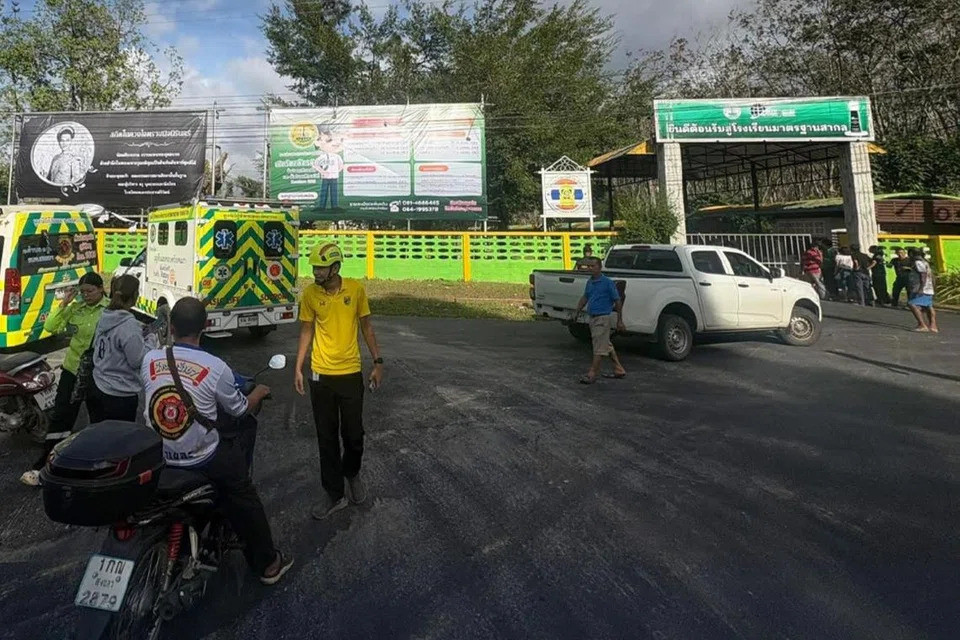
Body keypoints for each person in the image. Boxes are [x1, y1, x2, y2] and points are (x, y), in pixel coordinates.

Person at [141, 298, 293, 584]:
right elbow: (239, 409)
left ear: (171, 328)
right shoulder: (215, 367)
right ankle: (268, 563)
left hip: (159, 454)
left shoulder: (150, 359)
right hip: (201, 458)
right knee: (243, 495)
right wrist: (259, 392)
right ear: (205, 327)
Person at [295, 243, 383, 520]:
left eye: (321, 268)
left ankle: (352, 472)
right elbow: (306, 330)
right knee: (326, 437)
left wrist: (377, 362)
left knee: (354, 435)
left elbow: (366, 326)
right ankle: (334, 494)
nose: (316, 272)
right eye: (314, 268)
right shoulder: (310, 294)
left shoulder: (355, 290)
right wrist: (298, 367)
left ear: (335, 268)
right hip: (320, 375)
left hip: (350, 373)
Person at [19, 273, 107, 486]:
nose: (86, 295)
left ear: (100, 289)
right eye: (82, 292)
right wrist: (64, 303)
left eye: (90, 291)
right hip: (72, 370)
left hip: (98, 373)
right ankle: (45, 465)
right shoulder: (75, 308)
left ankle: (101, 467)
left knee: (99, 418)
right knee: (61, 417)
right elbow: (50, 326)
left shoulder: (109, 310)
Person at [87, 274, 155, 423]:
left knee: (98, 432)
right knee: (119, 435)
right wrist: (151, 340)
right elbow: (137, 361)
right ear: (135, 295)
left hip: (97, 384)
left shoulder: (105, 315)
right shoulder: (128, 325)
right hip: (119, 394)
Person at [572, 257, 626, 384]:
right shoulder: (590, 282)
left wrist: (620, 320)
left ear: (600, 267)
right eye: (589, 266)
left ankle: (592, 373)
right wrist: (577, 311)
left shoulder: (607, 283)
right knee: (605, 344)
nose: (590, 269)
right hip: (593, 317)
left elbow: (617, 301)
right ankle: (618, 368)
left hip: (602, 318)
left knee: (598, 348)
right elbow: (585, 297)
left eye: (593, 266)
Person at [906, 247, 938, 333]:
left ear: (911, 254)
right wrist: (933, 287)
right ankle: (933, 325)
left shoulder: (918, 263)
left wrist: (921, 288)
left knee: (912, 304)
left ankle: (922, 325)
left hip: (920, 288)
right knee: (928, 306)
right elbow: (932, 276)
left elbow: (923, 276)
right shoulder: (925, 262)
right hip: (928, 287)